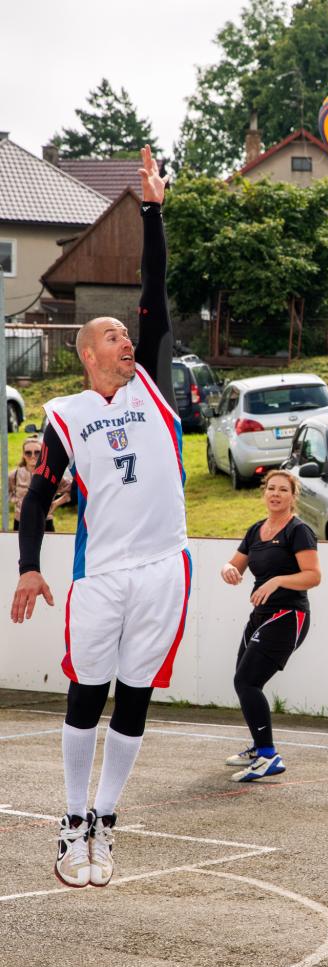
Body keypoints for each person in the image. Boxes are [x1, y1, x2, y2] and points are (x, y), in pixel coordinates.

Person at [10, 146, 190, 890]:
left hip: (163, 567)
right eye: (113, 336)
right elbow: (35, 496)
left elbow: (155, 290)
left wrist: (152, 210)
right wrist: (29, 566)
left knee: (137, 693)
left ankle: (106, 819)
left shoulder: (152, 384)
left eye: (127, 336)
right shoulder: (66, 413)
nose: (126, 342)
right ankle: (70, 818)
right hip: (103, 572)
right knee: (88, 691)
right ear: (88, 353)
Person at [221, 470, 321, 782]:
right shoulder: (256, 530)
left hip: (289, 615)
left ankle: (268, 756)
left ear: (293, 496)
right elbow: (235, 564)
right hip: (260, 614)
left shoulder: (298, 530)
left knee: (247, 681)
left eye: (283, 490)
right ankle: (259, 746)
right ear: (264, 493)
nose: (276, 494)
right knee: (244, 681)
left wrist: (278, 580)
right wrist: (227, 569)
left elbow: (313, 576)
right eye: (271, 489)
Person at [8, 436, 72, 531]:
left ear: (42, 454)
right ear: (23, 455)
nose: (33, 456)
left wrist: (56, 503)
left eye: (37, 452)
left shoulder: (50, 474)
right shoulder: (14, 475)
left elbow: (72, 488)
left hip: (45, 522)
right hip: (20, 522)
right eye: (28, 453)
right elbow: (7, 492)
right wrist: (17, 500)